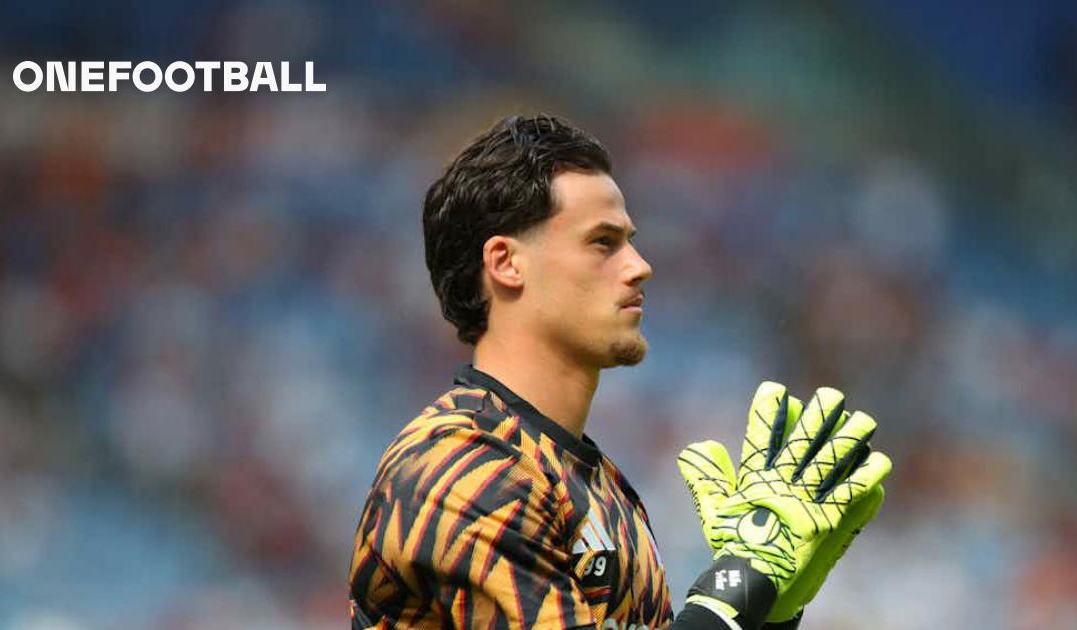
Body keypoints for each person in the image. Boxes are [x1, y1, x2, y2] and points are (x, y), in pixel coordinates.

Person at [348, 114, 891, 630]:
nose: (639, 266)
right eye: (602, 242)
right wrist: (740, 584)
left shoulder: (601, 485)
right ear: (506, 263)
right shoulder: (462, 467)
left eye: (629, 241)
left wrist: (769, 614)